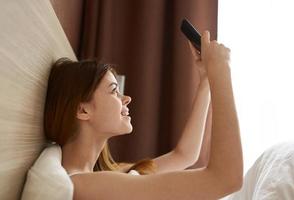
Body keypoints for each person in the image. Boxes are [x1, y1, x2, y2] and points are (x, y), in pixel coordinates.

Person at [43, 30, 243, 199]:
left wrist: (206, 81)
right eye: (114, 90)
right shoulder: (84, 185)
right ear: (82, 110)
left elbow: (185, 155)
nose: (127, 98)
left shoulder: (104, 175)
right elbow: (225, 178)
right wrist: (221, 70)